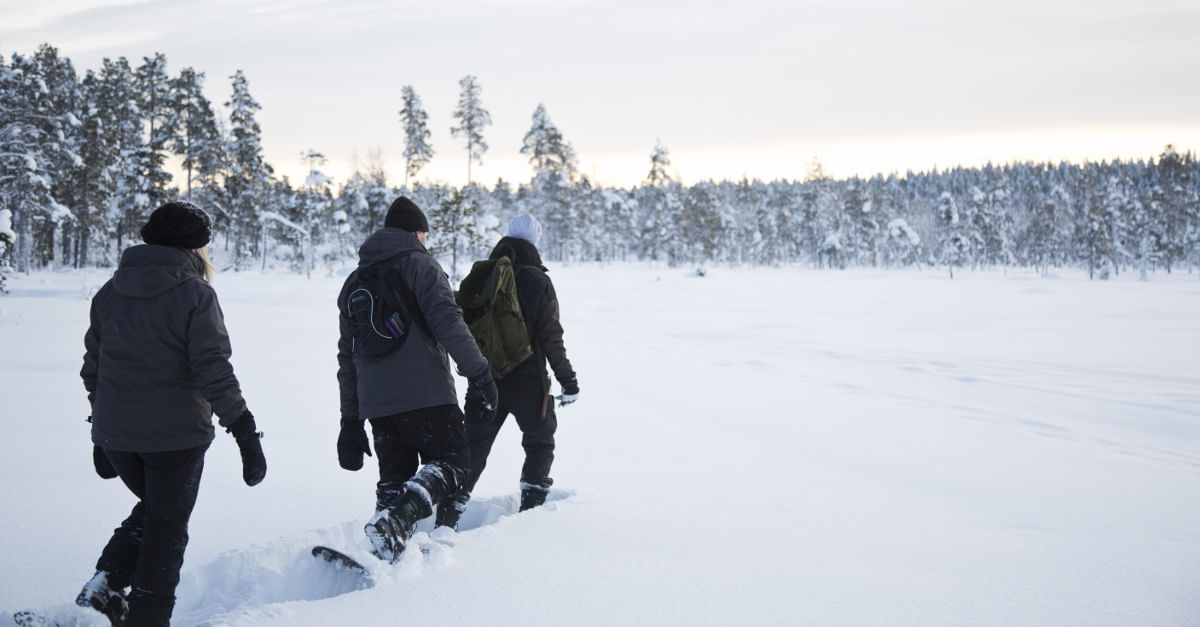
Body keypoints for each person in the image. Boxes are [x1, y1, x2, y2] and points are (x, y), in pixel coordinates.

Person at [79, 201, 266, 627]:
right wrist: (244, 430)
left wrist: (101, 430)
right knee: (166, 532)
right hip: (175, 439)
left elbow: (94, 369)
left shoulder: (109, 292)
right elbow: (214, 368)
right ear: (195, 248)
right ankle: (146, 618)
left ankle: (107, 582)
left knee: (158, 510)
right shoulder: (195, 294)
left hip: (119, 437)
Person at [335, 196, 498, 561]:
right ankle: (396, 521)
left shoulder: (354, 281)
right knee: (454, 463)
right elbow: (449, 323)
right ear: (417, 233)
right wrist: (481, 374)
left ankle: (379, 555)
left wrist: (350, 420)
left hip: (378, 404)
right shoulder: (421, 266)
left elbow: (347, 358)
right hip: (426, 394)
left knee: (394, 483)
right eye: (424, 235)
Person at [437, 213, 579, 529]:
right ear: (535, 243)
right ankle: (530, 521)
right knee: (540, 444)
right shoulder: (539, 280)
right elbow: (551, 336)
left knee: (472, 450)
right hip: (529, 382)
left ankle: (446, 518)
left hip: (485, 380)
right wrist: (567, 379)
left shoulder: (486, 275)